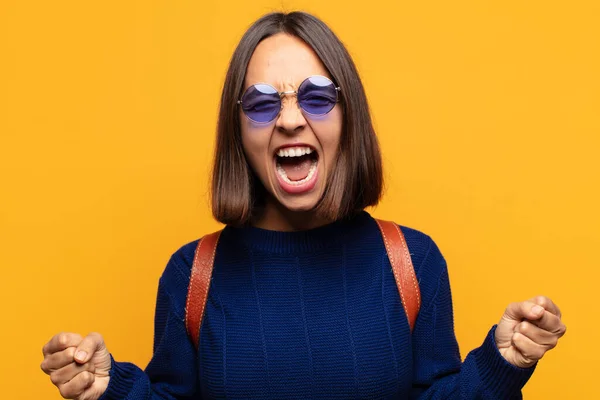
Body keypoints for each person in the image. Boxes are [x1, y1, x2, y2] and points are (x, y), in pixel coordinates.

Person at [41, 11, 566, 400]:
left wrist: (503, 363)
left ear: (347, 117)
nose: (290, 120)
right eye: (263, 103)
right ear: (238, 131)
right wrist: (108, 388)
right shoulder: (191, 274)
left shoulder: (412, 261)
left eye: (316, 97)